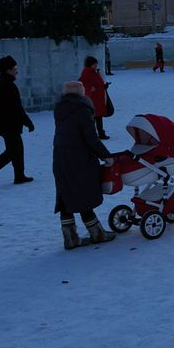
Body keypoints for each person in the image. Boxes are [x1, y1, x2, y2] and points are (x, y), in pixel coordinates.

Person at [53, 80, 113, 249]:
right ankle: (97, 233)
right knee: (83, 194)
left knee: (66, 195)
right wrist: (106, 156)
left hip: (60, 157)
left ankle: (70, 238)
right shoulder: (82, 110)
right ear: (81, 93)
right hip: (79, 158)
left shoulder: (60, 109)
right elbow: (91, 139)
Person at [0, 55, 36, 187]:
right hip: (8, 125)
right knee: (13, 151)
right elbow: (17, 108)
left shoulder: (0, 84)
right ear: (8, 70)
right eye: (15, 68)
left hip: (4, 124)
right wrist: (28, 122)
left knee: (16, 149)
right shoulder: (8, 86)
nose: (17, 70)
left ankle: (19, 176)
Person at [79, 55, 110, 139]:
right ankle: (93, 135)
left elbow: (98, 83)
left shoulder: (94, 72)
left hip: (98, 98)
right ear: (90, 64)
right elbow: (83, 84)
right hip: (93, 99)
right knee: (93, 118)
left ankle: (99, 133)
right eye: (94, 64)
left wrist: (104, 86)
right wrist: (91, 89)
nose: (96, 66)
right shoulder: (87, 73)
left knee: (98, 117)